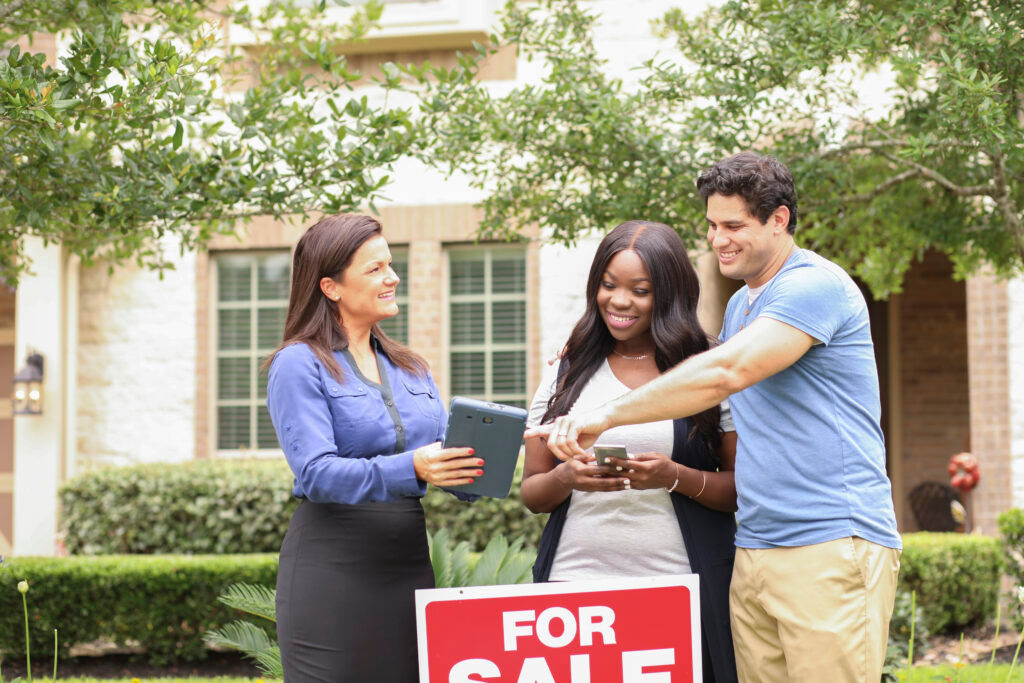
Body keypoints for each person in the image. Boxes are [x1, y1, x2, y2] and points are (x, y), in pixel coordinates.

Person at [526, 153, 902, 683]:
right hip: (755, 549)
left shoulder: (814, 285)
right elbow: (704, 366)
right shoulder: (743, 307)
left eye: (733, 225)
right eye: (711, 225)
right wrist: (591, 345)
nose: (718, 239)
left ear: (779, 219)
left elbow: (725, 371)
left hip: (828, 544)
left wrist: (603, 416)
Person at [266, 213, 484, 682]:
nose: (393, 277)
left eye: (391, 264)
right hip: (332, 572)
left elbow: (449, 462)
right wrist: (415, 468)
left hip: (407, 567)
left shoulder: (411, 367)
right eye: (375, 269)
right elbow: (316, 474)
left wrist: (504, 450)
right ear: (331, 287)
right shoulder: (298, 364)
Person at [522, 220, 739, 682]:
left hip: (680, 592)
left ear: (669, 293)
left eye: (639, 290)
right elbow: (533, 495)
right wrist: (566, 478)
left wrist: (673, 476)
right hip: (575, 596)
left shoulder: (707, 369)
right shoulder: (567, 369)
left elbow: (739, 491)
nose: (619, 301)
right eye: (608, 285)